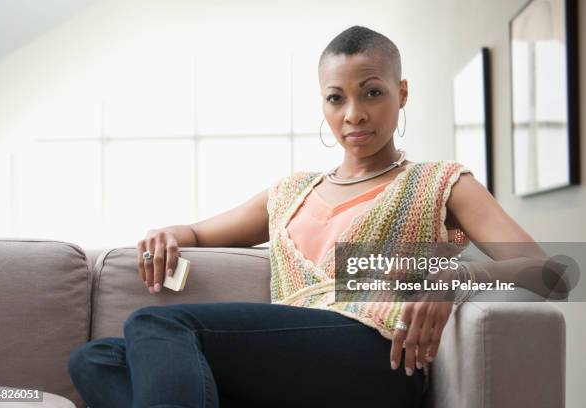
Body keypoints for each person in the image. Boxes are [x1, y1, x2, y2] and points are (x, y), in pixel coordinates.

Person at [67, 25, 542, 408]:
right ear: (324, 103)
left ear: (401, 93)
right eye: (337, 98)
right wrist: (169, 233)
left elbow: (553, 272)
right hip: (292, 365)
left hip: (379, 359)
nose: (353, 114)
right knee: (96, 359)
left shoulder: (441, 182)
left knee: (157, 324)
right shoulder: (290, 192)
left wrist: (449, 277)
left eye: (372, 93)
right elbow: (196, 231)